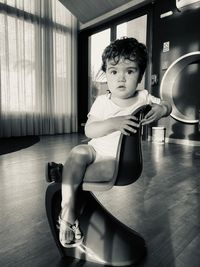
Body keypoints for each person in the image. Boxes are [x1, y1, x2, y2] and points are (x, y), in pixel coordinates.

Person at [46, 37, 172, 248]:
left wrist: (162, 108)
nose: (121, 78)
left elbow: (168, 106)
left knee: (78, 173)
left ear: (140, 76)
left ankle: (63, 173)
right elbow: (89, 129)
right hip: (95, 150)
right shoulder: (103, 101)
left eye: (129, 71)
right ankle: (67, 214)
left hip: (116, 161)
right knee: (78, 150)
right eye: (114, 72)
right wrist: (113, 122)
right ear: (107, 75)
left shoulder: (143, 97)